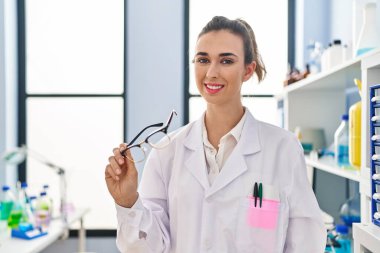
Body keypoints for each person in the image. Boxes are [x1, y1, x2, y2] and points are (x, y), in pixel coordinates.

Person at [105, 16, 326, 253]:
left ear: (248, 70)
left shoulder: (283, 149)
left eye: (226, 61)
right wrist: (127, 201)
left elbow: (305, 241)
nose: (211, 72)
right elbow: (148, 248)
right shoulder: (167, 151)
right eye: (203, 59)